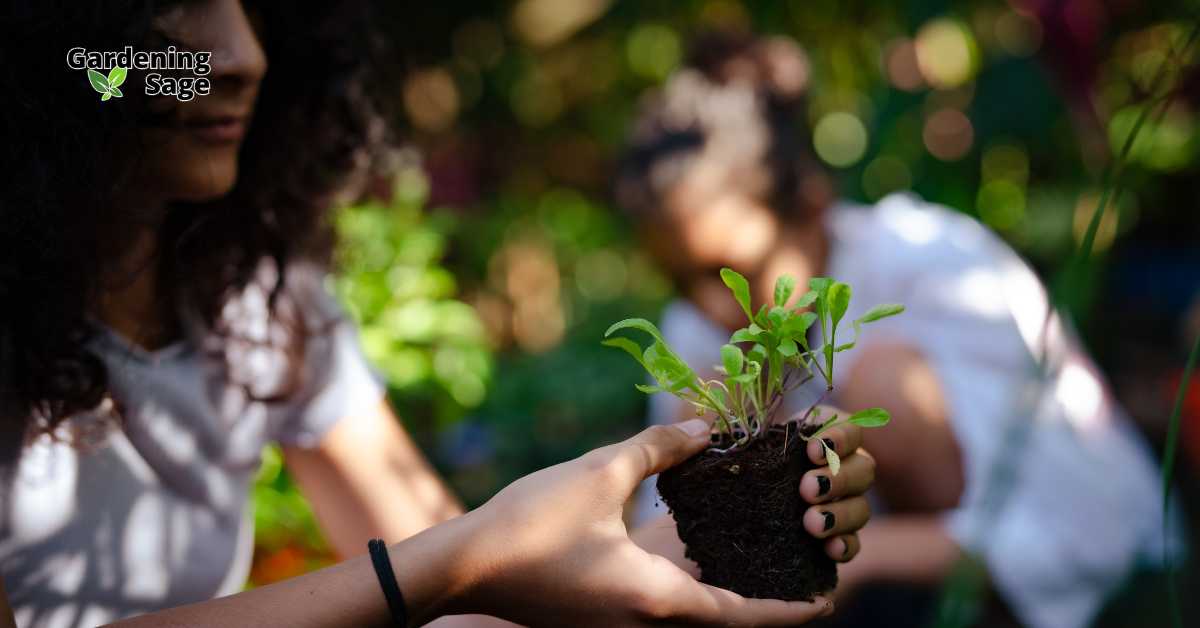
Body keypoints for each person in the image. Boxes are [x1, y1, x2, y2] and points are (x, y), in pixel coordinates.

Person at [0, 3, 875, 627]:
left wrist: (737, 518)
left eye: (254, 6)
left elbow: (461, 593)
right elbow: (444, 572)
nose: (238, 53)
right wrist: (458, 564)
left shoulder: (256, 299)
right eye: (169, 9)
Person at [615, 31, 1180, 628]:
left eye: (733, 272)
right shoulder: (699, 328)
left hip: (1080, 559)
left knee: (882, 380)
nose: (712, 307)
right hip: (868, 576)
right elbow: (660, 529)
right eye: (681, 282)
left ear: (812, 201)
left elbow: (1086, 524)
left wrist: (856, 559)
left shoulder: (927, 260)